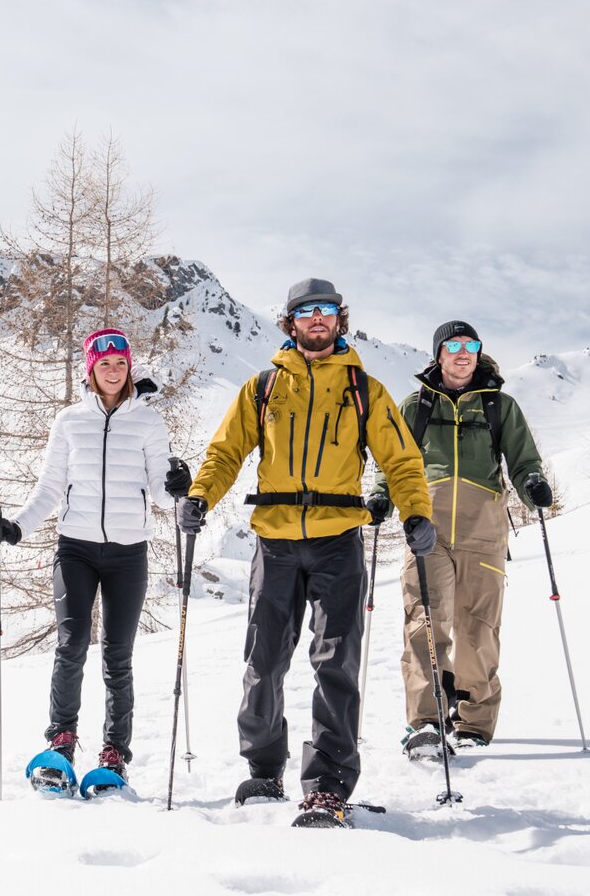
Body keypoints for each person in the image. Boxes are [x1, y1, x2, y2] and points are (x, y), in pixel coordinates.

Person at [177, 278, 433, 822]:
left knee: (335, 659)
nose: (317, 319)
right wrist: (200, 495)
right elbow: (226, 451)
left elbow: (402, 461)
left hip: (338, 538)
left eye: (327, 311)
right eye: (305, 312)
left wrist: (416, 513)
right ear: (290, 322)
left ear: (341, 319)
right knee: (264, 659)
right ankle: (263, 770)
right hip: (275, 541)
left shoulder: (365, 389)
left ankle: (329, 785)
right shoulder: (263, 387)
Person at [0, 328, 190, 782]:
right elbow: (50, 488)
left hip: (127, 554)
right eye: (105, 364)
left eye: (120, 363)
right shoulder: (69, 422)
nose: (114, 371)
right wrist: (17, 526)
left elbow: (161, 493)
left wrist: (179, 488)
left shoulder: (149, 422)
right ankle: (60, 742)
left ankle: (114, 753)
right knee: (72, 644)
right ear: (90, 369)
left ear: (129, 367)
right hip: (75, 549)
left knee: (117, 655)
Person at [367, 320, 552, 754]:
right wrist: (381, 498)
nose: (463, 352)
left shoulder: (499, 406)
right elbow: (393, 464)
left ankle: (473, 724)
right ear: (439, 355)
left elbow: (524, 462)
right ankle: (426, 723)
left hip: (483, 531)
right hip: (425, 526)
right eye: (454, 345)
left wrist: (535, 486)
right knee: (424, 622)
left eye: (471, 344)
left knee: (478, 629)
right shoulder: (415, 406)